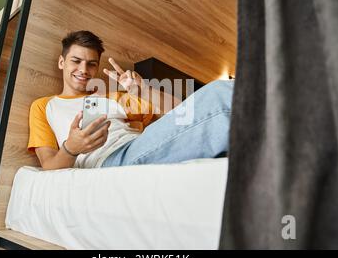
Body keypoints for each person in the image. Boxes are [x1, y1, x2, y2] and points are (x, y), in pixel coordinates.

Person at [28, 30, 234, 170]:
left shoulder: (113, 98)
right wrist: (71, 148)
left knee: (218, 98)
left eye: (91, 64)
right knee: (217, 93)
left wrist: (144, 91)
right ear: (61, 62)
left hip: (136, 145)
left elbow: (183, 112)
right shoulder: (44, 106)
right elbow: (48, 166)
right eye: (76, 61)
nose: (83, 70)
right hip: (110, 160)